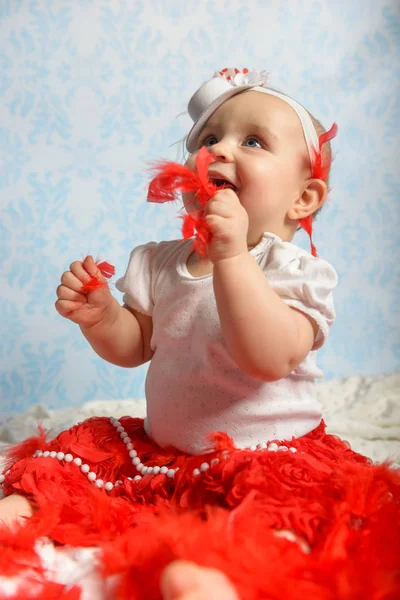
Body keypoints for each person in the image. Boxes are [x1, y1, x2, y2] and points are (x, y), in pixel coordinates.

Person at [0, 68, 399, 600]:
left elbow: (269, 358)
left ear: (303, 199)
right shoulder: (159, 261)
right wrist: (101, 318)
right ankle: (17, 516)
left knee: (284, 517)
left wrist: (233, 256)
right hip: (161, 452)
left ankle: (221, 579)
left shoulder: (295, 271)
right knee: (72, 471)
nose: (219, 151)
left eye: (252, 141)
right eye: (209, 139)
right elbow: (137, 345)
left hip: (265, 455)